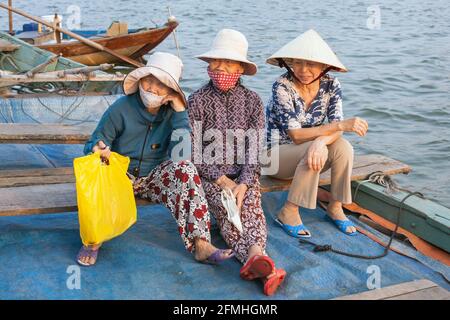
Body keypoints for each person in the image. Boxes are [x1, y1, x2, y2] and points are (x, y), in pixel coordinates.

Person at [76, 52, 234, 266]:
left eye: (161, 85)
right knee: (101, 167)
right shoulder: (121, 108)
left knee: (186, 169)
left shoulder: (174, 114)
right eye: (149, 81)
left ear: (170, 92)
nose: (152, 88)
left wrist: (179, 112)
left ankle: (201, 244)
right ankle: (93, 241)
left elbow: (182, 156)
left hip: (154, 178)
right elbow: (95, 141)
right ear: (140, 81)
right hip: (121, 176)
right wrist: (99, 149)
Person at [188, 29, 286, 296]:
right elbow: (195, 151)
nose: (221, 68)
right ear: (209, 65)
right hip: (210, 176)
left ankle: (257, 259)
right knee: (227, 209)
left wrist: (243, 183)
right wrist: (223, 181)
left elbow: (255, 148)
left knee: (251, 206)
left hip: (244, 174)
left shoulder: (253, 101)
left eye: (228, 63)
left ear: (241, 68)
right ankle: (260, 261)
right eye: (216, 62)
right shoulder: (197, 100)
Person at [265, 29, 369, 238]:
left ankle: (335, 206)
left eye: (311, 64)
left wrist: (321, 141)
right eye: (297, 63)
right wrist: (334, 131)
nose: (303, 70)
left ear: (324, 66)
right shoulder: (282, 86)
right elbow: (295, 135)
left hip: (307, 151)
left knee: (344, 147)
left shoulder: (332, 85)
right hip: (274, 156)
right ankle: (289, 211)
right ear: (289, 63)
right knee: (312, 149)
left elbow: (336, 128)